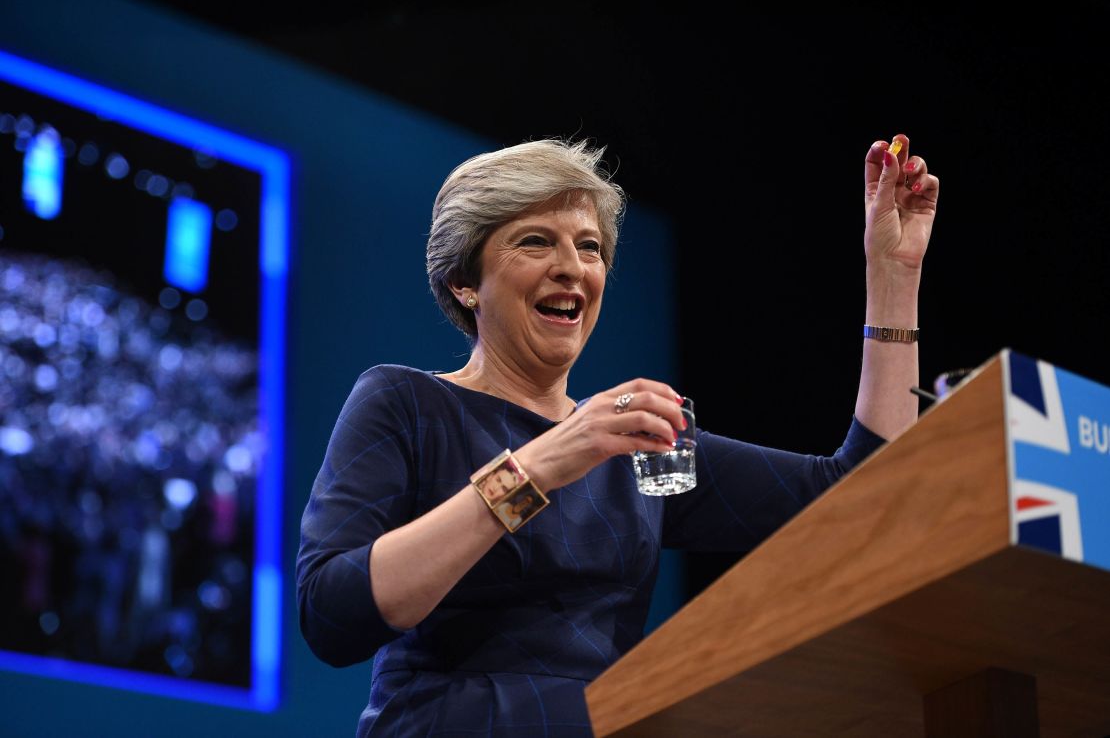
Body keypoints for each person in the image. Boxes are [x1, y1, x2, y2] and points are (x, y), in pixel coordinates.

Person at [296, 137, 938, 736]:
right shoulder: (408, 404)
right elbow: (332, 615)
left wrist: (893, 277)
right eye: (535, 242)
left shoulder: (635, 444)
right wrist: (537, 468)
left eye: (590, 247)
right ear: (465, 282)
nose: (572, 268)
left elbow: (863, 495)